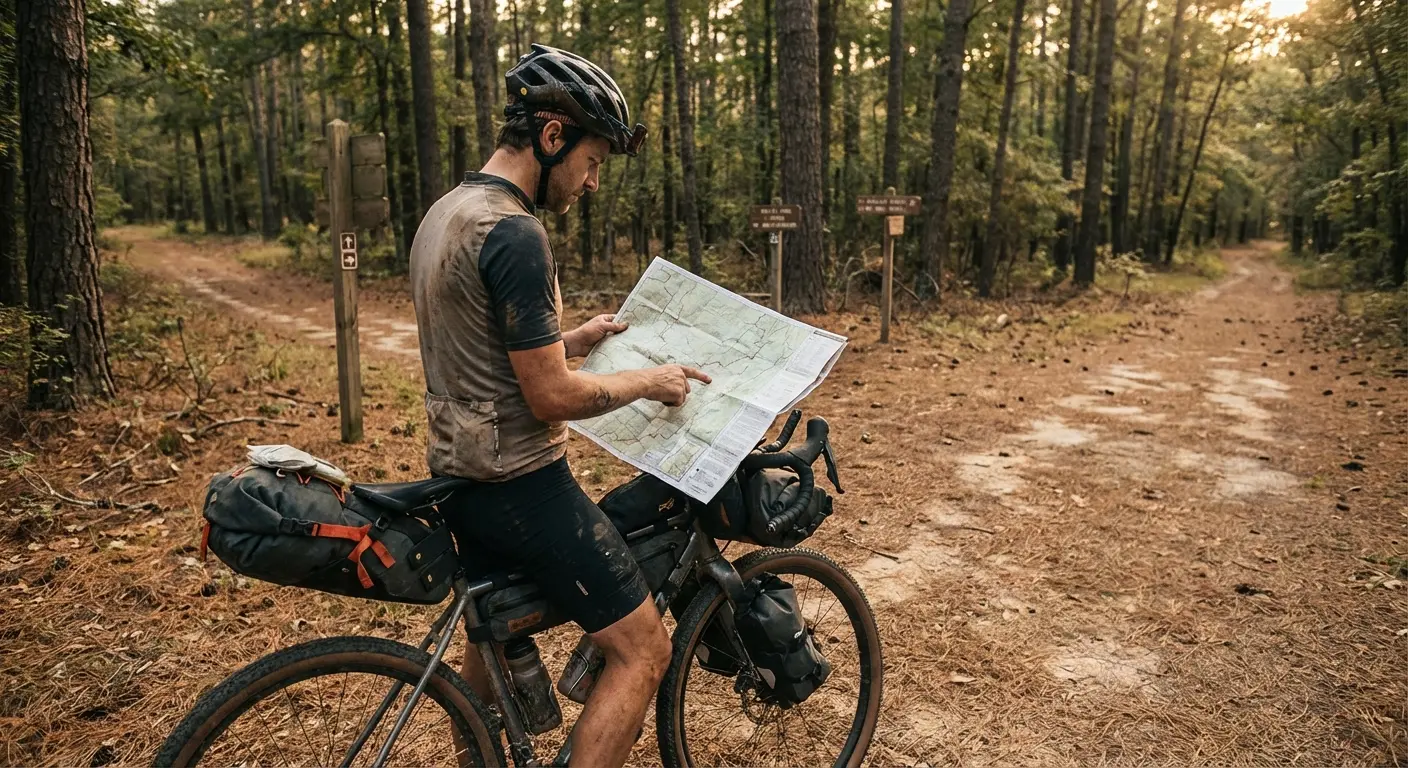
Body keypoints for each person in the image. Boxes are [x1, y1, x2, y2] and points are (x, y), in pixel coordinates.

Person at [408, 44, 711, 767]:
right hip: (521, 486)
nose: (593, 181)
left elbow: (477, 344)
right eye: (593, 160)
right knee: (644, 649)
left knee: (491, 630)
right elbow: (549, 396)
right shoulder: (516, 232)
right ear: (552, 137)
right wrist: (651, 379)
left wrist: (572, 336)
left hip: (459, 475)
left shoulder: (449, 212)